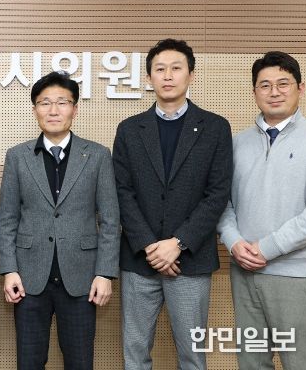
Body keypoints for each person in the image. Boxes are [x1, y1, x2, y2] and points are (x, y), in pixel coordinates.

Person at [113, 38, 232, 370]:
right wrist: (151, 246)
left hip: (190, 261)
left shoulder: (215, 128)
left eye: (176, 68)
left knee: (192, 356)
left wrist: (177, 243)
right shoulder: (129, 130)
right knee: (135, 353)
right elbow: (122, 192)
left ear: (191, 74)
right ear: (149, 77)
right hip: (140, 261)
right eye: (160, 69)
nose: (168, 76)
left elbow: (217, 194)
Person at [0, 70, 120, 370]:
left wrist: (105, 273)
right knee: (29, 362)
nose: (53, 110)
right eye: (45, 103)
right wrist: (9, 270)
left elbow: (110, 220)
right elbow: (8, 219)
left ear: (74, 109)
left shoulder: (97, 155)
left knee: (80, 362)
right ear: (35, 110)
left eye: (62, 102)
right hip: (29, 278)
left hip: (82, 278)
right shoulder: (17, 156)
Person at [218, 51, 306, 369]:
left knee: (300, 363)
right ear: (254, 92)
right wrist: (234, 242)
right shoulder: (236, 144)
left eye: (283, 83)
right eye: (265, 85)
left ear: (301, 88)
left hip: (295, 275)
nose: (274, 92)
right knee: (250, 362)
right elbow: (222, 202)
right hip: (243, 273)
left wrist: (267, 248)